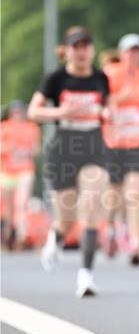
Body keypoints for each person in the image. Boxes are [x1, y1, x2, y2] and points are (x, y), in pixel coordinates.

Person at [27, 27, 110, 297]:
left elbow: (108, 107)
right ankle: (57, 237)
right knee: (67, 218)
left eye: (86, 45)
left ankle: (86, 276)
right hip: (63, 147)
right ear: (67, 51)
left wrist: (108, 112)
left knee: (90, 206)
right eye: (76, 46)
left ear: (92, 50)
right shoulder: (56, 78)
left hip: (93, 145)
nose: (82, 51)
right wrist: (62, 111)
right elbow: (34, 111)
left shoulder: (101, 78)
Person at [103, 34, 139, 266]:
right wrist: (117, 100)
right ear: (121, 53)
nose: (133, 55)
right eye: (129, 51)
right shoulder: (109, 74)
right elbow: (101, 104)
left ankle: (135, 241)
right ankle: (111, 231)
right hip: (114, 143)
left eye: (137, 51)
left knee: (134, 194)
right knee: (114, 197)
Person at [0, 101, 41, 249]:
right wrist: (9, 148)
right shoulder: (4, 127)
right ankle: (9, 232)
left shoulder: (32, 128)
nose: (18, 114)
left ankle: (21, 234)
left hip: (25, 170)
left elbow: (36, 149)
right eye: (15, 112)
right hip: (6, 171)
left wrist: (28, 151)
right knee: (8, 207)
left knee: (21, 204)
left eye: (20, 111)